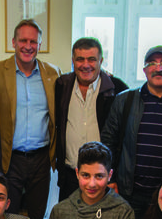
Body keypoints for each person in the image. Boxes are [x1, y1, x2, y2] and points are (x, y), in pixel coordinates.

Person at [0, 19, 61, 219]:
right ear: (13, 42)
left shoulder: (53, 74)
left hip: (41, 159)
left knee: (38, 218)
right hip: (11, 158)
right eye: (23, 40)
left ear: (40, 44)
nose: (28, 46)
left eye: (33, 41)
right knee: (10, 217)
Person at [101, 45, 162, 219]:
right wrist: (110, 178)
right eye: (152, 63)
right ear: (145, 70)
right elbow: (108, 142)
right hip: (129, 193)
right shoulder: (124, 101)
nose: (159, 68)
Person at [54, 37, 128, 201]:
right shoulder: (62, 85)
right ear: (73, 61)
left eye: (92, 59)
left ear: (101, 61)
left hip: (102, 178)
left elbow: (123, 137)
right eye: (80, 59)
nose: (85, 65)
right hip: (70, 175)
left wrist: (113, 175)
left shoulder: (117, 89)